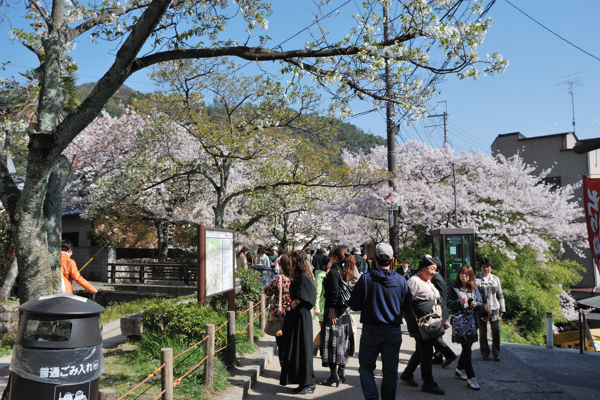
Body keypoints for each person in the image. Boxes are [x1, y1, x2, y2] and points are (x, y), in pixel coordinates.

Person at [350, 242, 411, 400]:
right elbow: (408, 304)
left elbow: (354, 304)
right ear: (392, 261)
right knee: (390, 372)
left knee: (366, 369)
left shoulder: (366, 279)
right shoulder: (401, 281)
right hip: (393, 329)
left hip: (371, 329)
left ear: (374, 259)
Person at [400, 256, 445, 395]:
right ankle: (428, 383)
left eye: (435, 269)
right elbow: (405, 303)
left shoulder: (428, 281)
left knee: (421, 350)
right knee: (426, 351)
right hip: (419, 323)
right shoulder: (413, 281)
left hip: (430, 321)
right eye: (431, 268)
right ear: (422, 268)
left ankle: (407, 374)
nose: (433, 272)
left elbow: (437, 297)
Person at [279, 250, 317, 395]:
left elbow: (311, 296)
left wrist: (298, 300)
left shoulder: (302, 277)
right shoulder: (299, 276)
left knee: (304, 349)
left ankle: (308, 382)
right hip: (297, 317)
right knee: (298, 349)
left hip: (302, 317)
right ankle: (303, 381)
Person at [320, 247, 355, 388]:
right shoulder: (345, 270)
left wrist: (333, 310)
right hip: (344, 310)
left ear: (333, 256)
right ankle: (342, 372)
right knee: (343, 341)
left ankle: (334, 375)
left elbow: (334, 292)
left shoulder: (334, 272)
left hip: (334, 311)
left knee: (332, 343)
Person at [448, 265, 483, 390]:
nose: (464, 276)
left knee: (467, 347)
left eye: (467, 275)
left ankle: (459, 368)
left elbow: (480, 303)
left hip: (472, 322)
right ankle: (471, 377)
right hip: (460, 322)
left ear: (471, 276)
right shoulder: (453, 288)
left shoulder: (474, 288)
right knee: (467, 349)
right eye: (462, 274)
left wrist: (475, 304)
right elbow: (449, 304)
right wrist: (459, 302)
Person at [475, 258, 505, 361]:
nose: (485, 268)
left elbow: (500, 295)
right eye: (483, 266)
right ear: (481, 267)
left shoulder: (496, 278)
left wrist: (502, 309)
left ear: (491, 268)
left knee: (496, 331)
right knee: (483, 332)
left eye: (487, 266)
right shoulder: (476, 279)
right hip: (482, 309)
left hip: (495, 307)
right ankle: (485, 353)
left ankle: (496, 352)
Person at [264, 253, 292, 365]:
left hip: (279, 314)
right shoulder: (295, 278)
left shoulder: (279, 279)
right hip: (292, 313)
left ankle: (283, 366)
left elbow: (267, 290)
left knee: (281, 343)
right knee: (290, 342)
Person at [431, 258, 457, 368]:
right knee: (436, 335)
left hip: (438, 312)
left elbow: (442, 297)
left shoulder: (437, 279)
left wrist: (439, 313)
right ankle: (438, 356)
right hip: (438, 312)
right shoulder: (435, 277)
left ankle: (448, 354)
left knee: (435, 335)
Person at [312, 256, 329, 356]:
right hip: (321, 306)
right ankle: (315, 345)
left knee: (326, 329)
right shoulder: (320, 276)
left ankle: (318, 347)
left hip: (327, 305)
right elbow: (317, 293)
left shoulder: (329, 274)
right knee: (324, 329)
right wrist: (316, 306)